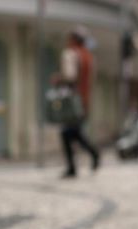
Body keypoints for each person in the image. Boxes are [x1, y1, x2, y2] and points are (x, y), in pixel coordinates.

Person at [58, 28, 99, 179]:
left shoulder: (71, 53)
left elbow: (69, 76)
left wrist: (58, 79)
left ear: (74, 40)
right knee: (72, 133)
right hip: (85, 99)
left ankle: (75, 165)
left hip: (73, 100)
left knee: (69, 133)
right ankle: (76, 164)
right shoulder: (88, 56)